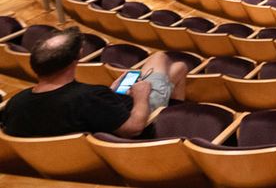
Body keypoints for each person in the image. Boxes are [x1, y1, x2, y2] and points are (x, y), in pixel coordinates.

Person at [0, 28, 188, 138]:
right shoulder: (88, 97)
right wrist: (141, 96)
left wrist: (111, 94)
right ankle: (171, 114)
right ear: (78, 57)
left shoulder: (16, 103)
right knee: (162, 58)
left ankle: (172, 107)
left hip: (100, 124)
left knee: (177, 69)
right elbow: (133, 128)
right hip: (139, 114)